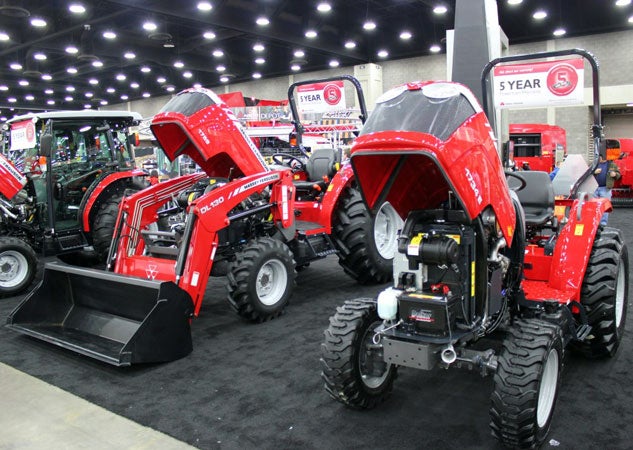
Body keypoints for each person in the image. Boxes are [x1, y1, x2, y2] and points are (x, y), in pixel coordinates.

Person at [593, 154, 621, 225]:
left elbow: (618, 175)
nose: (600, 158)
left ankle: (603, 224)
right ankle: (594, 222)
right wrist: (594, 172)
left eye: (601, 156)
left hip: (605, 188)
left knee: (605, 207)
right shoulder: (593, 164)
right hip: (593, 188)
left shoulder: (612, 165)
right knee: (593, 206)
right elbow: (586, 174)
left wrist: (615, 174)